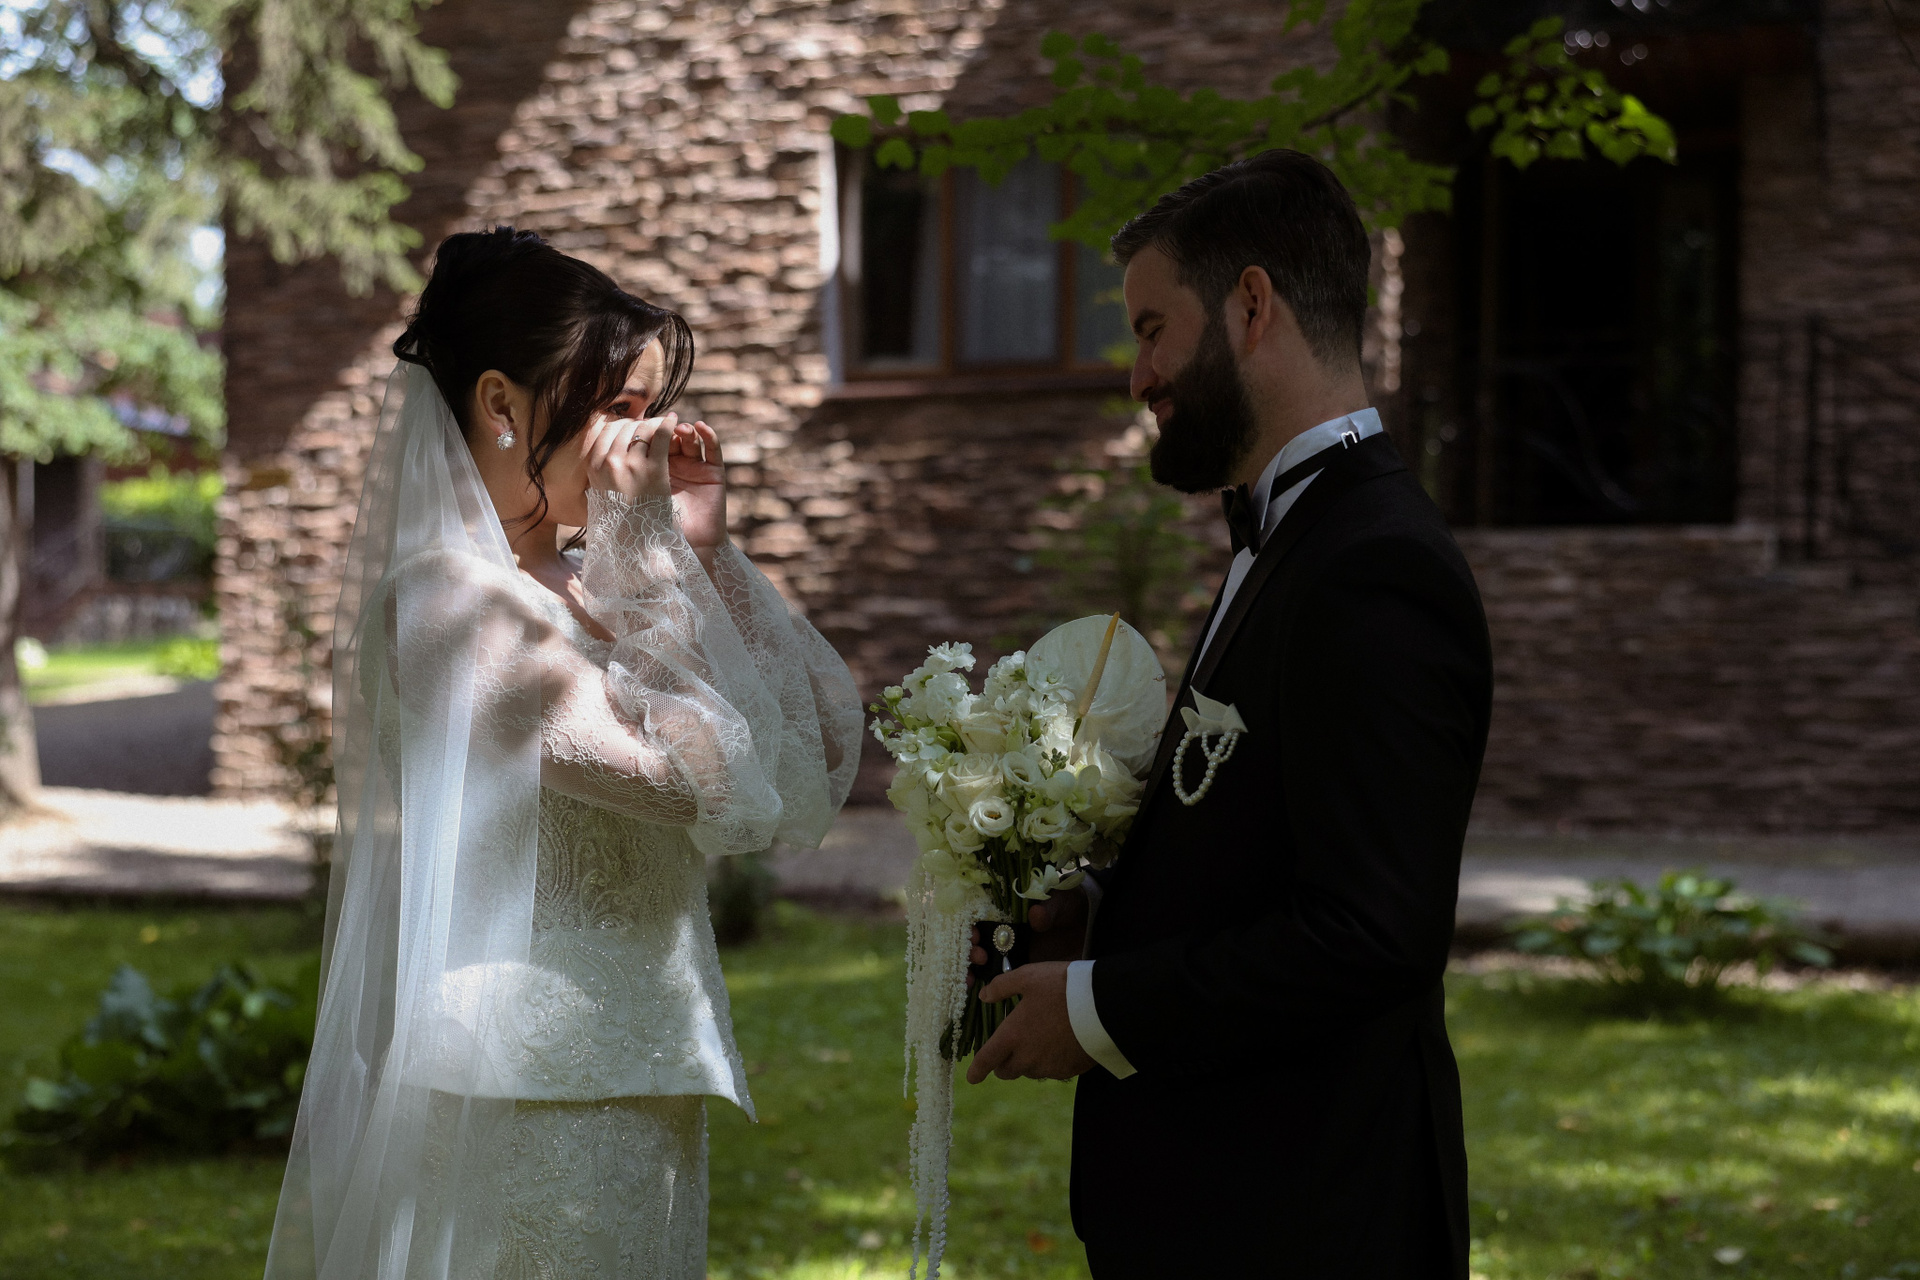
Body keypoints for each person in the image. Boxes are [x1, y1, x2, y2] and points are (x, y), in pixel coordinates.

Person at [262, 227, 862, 1280]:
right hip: (525, 1092)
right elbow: (697, 782)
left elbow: (806, 749)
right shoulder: (444, 603)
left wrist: (705, 555)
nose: (645, 437)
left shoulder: (602, 582)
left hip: (648, 1071)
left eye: (651, 406)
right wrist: (651, 561)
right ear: (501, 402)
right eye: (618, 407)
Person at [961, 150, 1494, 1277]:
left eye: (1154, 329)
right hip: (1223, 1206)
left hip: (1308, 1221)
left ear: (1252, 304)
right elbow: (1265, 852)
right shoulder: (1292, 535)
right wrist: (1096, 916)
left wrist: (1100, 1007)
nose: (1139, 375)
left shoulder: (1377, 567)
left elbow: (1372, 931)